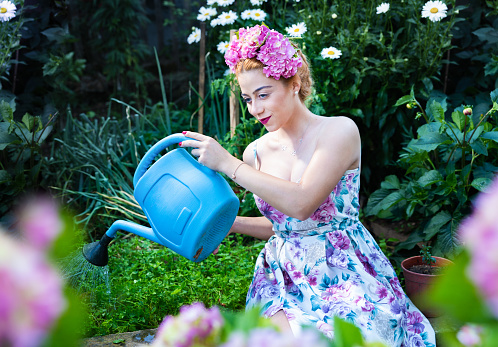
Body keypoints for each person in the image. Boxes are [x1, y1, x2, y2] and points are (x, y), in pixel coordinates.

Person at [180, 24, 435, 346]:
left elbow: (302, 205)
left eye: (263, 94)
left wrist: (228, 164)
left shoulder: (338, 131)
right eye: (247, 98)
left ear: (294, 83)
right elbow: (284, 226)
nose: (254, 109)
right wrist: (226, 224)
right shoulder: (255, 152)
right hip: (282, 276)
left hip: (344, 269)